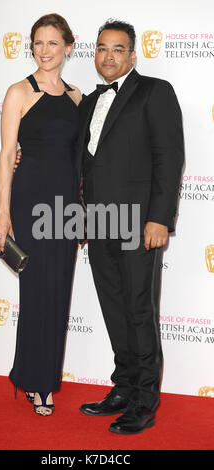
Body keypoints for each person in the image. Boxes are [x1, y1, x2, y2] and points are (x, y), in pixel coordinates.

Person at [75, 20, 184, 434]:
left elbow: (169, 157)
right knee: (114, 309)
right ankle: (122, 388)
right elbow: (82, 164)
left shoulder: (155, 92)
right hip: (98, 223)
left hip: (139, 223)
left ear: (132, 55)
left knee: (139, 311)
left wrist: (160, 218)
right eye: (102, 48)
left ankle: (143, 401)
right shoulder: (88, 102)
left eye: (118, 49)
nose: (109, 56)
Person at [0, 13, 82, 416]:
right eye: (37, 43)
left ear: (68, 46)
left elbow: (83, 159)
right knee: (36, 292)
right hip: (31, 204)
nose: (44, 51)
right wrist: (2, 214)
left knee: (59, 291)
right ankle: (35, 382)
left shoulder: (79, 97)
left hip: (67, 206)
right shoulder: (18, 92)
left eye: (52, 43)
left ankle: (40, 376)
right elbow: (7, 155)